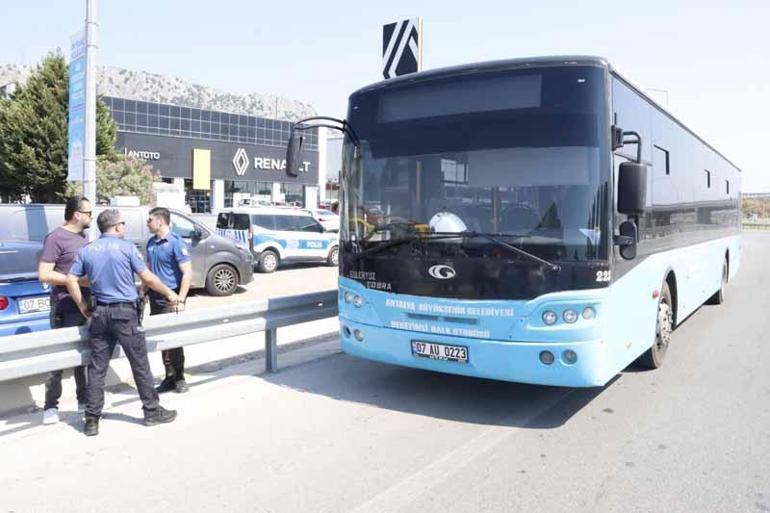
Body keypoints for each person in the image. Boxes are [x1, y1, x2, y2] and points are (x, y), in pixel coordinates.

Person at [65, 209, 179, 436]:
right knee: (139, 364)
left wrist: (83, 307)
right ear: (117, 227)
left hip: (99, 314)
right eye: (123, 224)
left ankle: (91, 419)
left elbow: (71, 279)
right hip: (125, 314)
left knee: (97, 368)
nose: (124, 227)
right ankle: (151, 411)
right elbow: (147, 278)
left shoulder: (87, 250)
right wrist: (170, 293)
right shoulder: (126, 247)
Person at [37, 196, 93, 425]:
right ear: (77, 214)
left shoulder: (84, 236)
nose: (92, 216)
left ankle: (84, 400)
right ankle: (50, 406)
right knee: (59, 359)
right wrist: (75, 281)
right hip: (64, 305)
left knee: (83, 356)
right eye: (88, 212)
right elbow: (44, 273)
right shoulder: (55, 238)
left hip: (85, 303)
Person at [145, 207, 192, 394]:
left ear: (160, 221)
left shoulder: (175, 243)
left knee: (173, 338)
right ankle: (169, 376)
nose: (147, 223)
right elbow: (149, 269)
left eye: (150, 220)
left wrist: (181, 299)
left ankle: (179, 377)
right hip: (155, 297)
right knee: (162, 339)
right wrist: (142, 289)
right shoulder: (151, 243)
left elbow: (187, 272)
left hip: (172, 297)